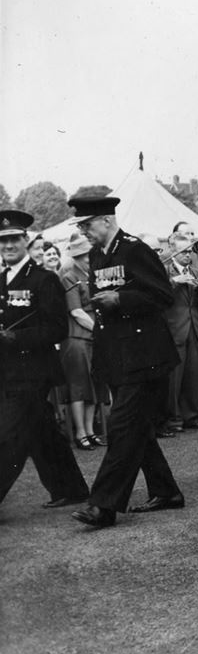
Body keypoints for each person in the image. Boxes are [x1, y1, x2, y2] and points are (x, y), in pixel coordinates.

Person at [68, 197, 184, 528]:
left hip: (145, 355)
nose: (84, 232)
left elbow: (163, 295)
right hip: (116, 356)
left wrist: (121, 298)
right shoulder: (95, 254)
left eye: (87, 225)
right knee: (137, 430)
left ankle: (103, 506)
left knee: (121, 427)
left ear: (105, 220)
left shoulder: (134, 250)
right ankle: (167, 491)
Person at [0, 209, 90, 510]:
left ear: (26, 241)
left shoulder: (44, 279)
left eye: (14, 239)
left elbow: (57, 328)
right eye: (3, 241)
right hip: (8, 371)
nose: (8, 246)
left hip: (32, 370)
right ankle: (72, 489)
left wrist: (17, 338)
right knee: (42, 432)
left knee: (8, 434)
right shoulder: (1, 280)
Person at [58, 231, 108, 449]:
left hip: (91, 335)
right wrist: (98, 330)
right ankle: (80, 432)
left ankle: (89, 430)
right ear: (78, 257)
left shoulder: (92, 274)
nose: (91, 258)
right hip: (76, 337)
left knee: (93, 384)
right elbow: (76, 312)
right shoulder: (68, 275)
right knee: (79, 386)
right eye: (87, 255)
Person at [162, 232, 198, 431]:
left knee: (194, 374)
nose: (187, 254)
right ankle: (173, 419)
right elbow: (159, 295)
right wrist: (176, 282)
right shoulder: (165, 270)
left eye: (190, 251)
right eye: (183, 251)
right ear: (172, 250)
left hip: (195, 327)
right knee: (175, 378)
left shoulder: (196, 270)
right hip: (175, 328)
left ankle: (191, 415)